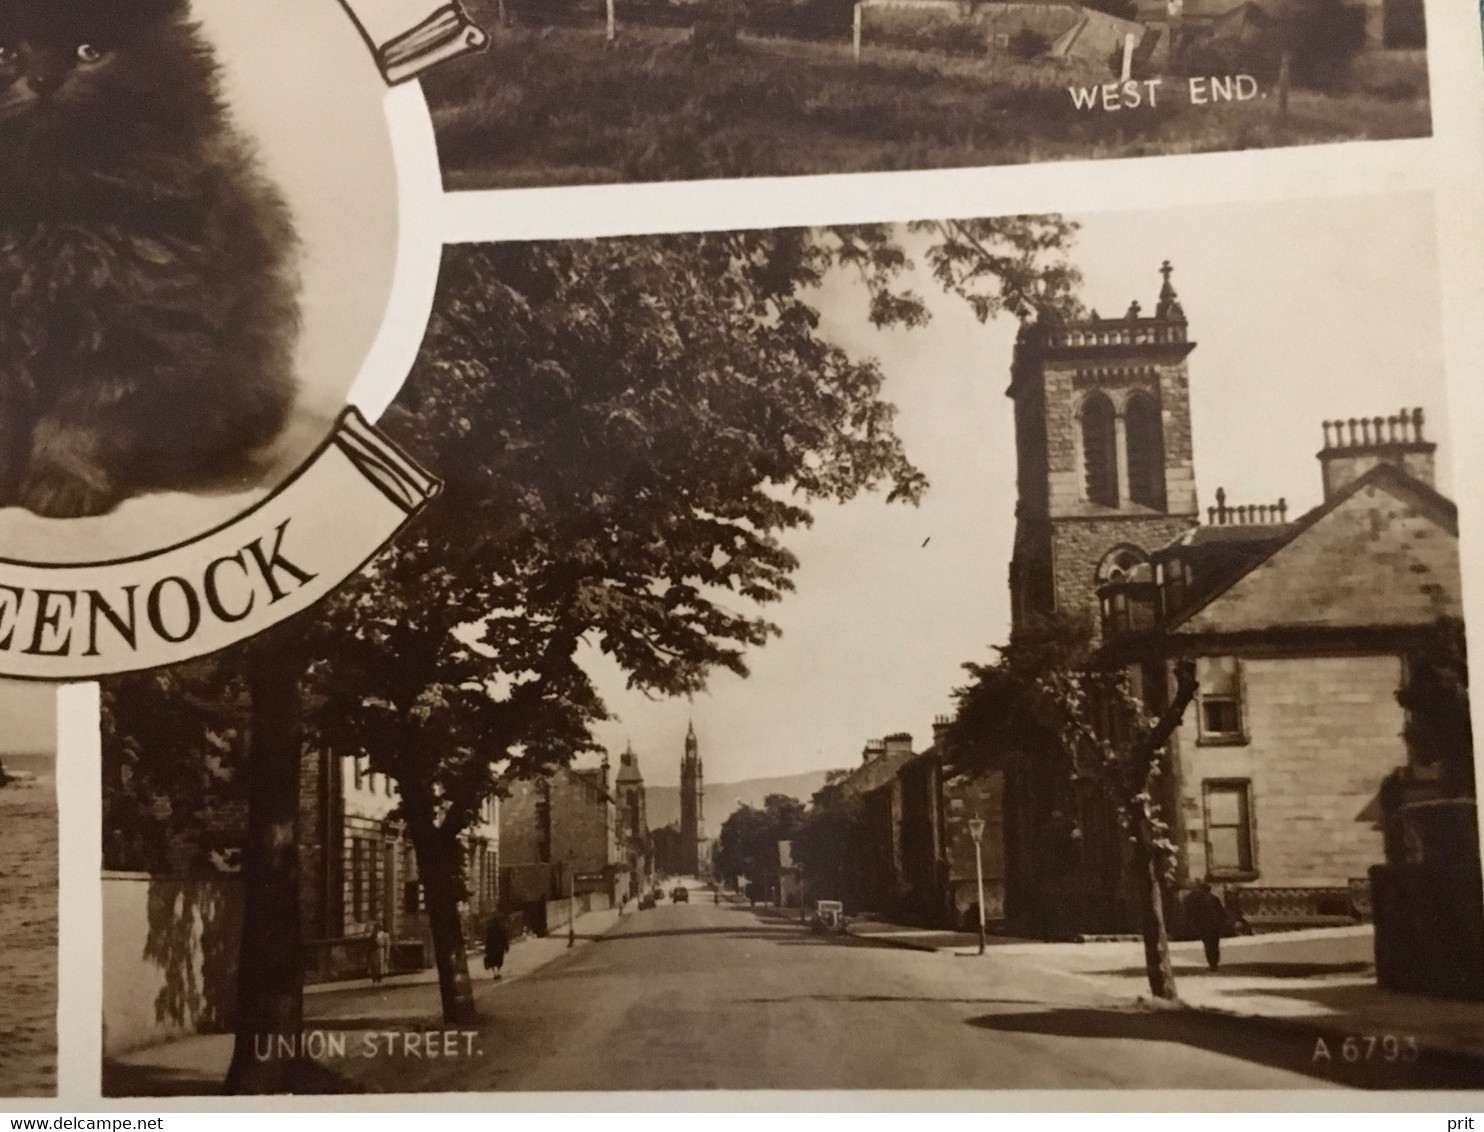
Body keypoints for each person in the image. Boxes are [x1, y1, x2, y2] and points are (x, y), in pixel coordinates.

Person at [1186, 882, 1228, 970]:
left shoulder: (1199, 900)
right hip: (1215, 926)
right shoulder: (1215, 899)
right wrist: (1221, 923)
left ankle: (1212, 964)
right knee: (1215, 945)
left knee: (1208, 945)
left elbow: (1195, 913)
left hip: (1204, 926)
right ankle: (1215, 963)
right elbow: (1222, 912)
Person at [483, 914, 510, 980]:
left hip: (492, 948)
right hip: (500, 948)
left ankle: (494, 973)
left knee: (492, 961)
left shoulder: (490, 929)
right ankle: (498, 972)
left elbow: (488, 939)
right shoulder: (502, 928)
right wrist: (506, 947)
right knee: (499, 961)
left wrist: (486, 948)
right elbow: (504, 939)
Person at [369, 922, 391, 986]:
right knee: (373, 966)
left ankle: (379, 980)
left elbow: (387, 945)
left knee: (379, 966)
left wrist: (387, 954)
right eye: (375, 928)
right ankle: (374, 980)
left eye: (377, 928)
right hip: (373, 951)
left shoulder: (384, 935)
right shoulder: (373, 935)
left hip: (380, 951)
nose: (376, 929)